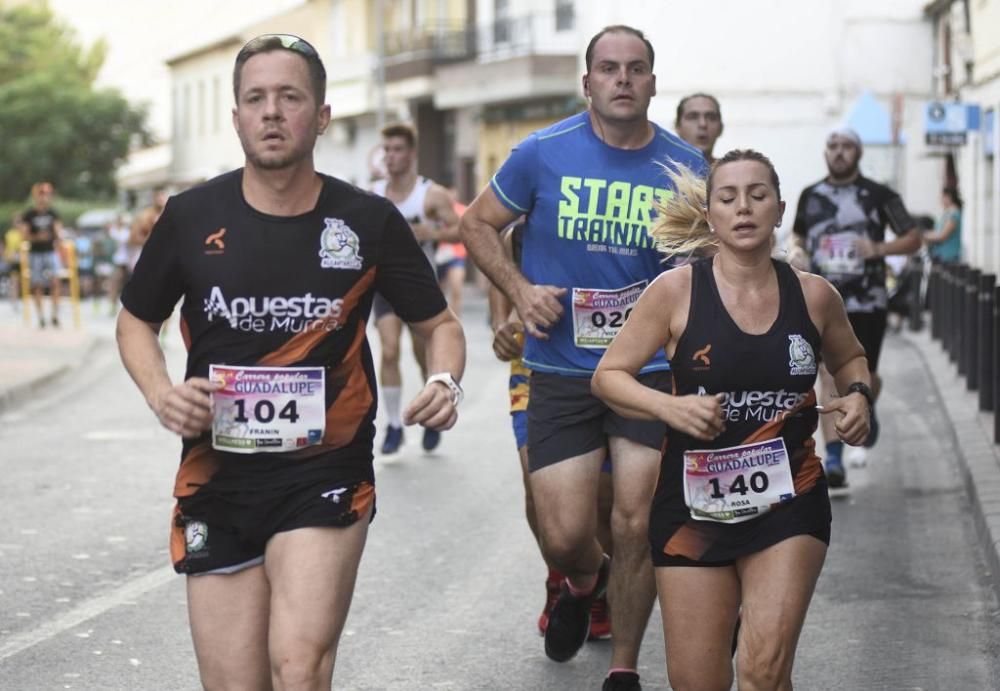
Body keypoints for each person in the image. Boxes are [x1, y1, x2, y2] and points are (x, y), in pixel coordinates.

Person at [115, 34, 465, 689]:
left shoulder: (368, 220)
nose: (272, 111)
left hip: (324, 472)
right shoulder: (192, 217)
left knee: (298, 668)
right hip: (217, 475)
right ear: (237, 118)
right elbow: (137, 319)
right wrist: (162, 392)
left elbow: (439, 322)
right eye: (256, 98)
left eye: (289, 97)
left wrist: (444, 378)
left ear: (323, 116)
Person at [460, 24, 706, 691]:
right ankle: (580, 581)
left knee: (635, 519)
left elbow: (709, 271)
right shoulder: (542, 153)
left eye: (635, 68)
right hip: (561, 369)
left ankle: (623, 666)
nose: (622, 79)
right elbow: (476, 223)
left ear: (653, 82)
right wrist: (518, 292)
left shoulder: (687, 169)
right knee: (564, 529)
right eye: (608, 68)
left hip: (648, 374)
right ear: (588, 82)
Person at [592, 149, 872, 690]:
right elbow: (609, 377)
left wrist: (858, 396)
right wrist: (669, 407)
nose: (743, 207)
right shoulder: (673, 292)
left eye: (758, 195)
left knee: (763, 670)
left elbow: (851, 358)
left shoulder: (814, 296)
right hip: (694, 509)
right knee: (697, 681)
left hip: (790, 500)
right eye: (728, 197)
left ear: (779, 208)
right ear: (711, 214)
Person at [489, 222, 613, 641]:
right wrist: (503, 335)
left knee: (598, 495)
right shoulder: (515, 235)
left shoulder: (599, 223)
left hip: (601, 369)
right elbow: (501, 317)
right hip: (534, 373)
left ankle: (593, 577)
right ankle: (561, 574)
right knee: (536, 489)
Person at [790, 127, 919, 487]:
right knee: (828, 372)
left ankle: (867, 402)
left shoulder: (879, 195)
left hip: (867, 302)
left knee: (865, 376)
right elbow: (799, 233)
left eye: (847, 146)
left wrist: (878, 250)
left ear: (858, 153)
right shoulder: (811, 195)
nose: (839, 152)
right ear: (825, 152)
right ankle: (833, 458)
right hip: (820, 299)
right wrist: (797, 250)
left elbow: (913, 237)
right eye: (833, 146)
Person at [372, 122, 461, 455]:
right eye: (387, 151)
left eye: (397, 150)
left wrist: (431, 233)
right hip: (382, 286)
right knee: (389, 349)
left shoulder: (430, 194)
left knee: (422, 356)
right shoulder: (375, 194)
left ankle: (429, 411)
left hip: (419, 283)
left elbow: (461, 231)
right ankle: (393, 424)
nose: (391, 157)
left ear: (411, 154)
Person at [18, 182, 63, 327]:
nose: (44, 198)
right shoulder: (29, 214)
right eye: (41, 194)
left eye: (46, 195)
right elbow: (24, 235)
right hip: (36, 253)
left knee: (56, 281)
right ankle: (41, 316)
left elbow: (58, 233)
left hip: (50, 251)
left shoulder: (52, 213)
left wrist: (57, 235)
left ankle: (54, 314)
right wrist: (37, 237)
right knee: (37, 284)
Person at [674, 93, 724, 164]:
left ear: (721, 128)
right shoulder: (660, 171)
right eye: (693, 117)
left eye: (711, 117)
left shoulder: (731, 172)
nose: (703, 124)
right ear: (677, 126)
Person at [923, 186, 963, 263]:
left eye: (942, 197)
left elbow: (942, 236)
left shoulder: (954, 214)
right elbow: (937, 231)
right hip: (941, 255)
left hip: (949, 257)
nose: (940, 200)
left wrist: (925, 236)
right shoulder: (947, 213)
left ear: (949, 197)